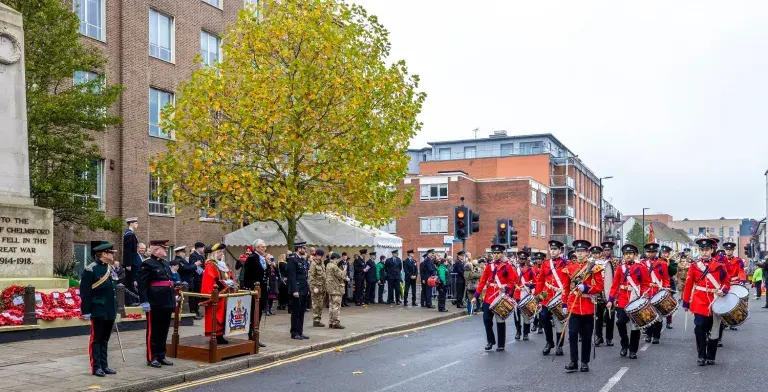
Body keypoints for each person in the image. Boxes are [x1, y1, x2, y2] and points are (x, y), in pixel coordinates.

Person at [682, 238, 731, 366]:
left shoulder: (720, 266)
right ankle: (701, 355)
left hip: (716, 301)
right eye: (702, 250)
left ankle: (711, 356)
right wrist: (686, 302)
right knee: (699, 327)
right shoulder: (694, 266)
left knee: (714, 330)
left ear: (711, 250)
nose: (704, 252)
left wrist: (723, 290)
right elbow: (688, 285)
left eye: (707, 249)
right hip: (699, 301)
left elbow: (726, 282)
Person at [564, 240, 605, 373]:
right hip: (574, 306)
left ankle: (584, 362)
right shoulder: (569, 268)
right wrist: (564, 303)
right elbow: (566, 288)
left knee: (587, 336)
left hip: (588, 307)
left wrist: (587, 288)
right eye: (578, 251)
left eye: (582, 251)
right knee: (573, 334)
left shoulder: (594, 268)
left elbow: (600, 287)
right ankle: (573, 361)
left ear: (587, 253)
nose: (580, 254)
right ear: (575, 253)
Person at [80, 242, 119, 377]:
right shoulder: (91, 269)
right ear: (104, 254)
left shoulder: (110, 268)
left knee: (105, 339)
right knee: (96, 339)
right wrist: (86, 311)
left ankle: (104, 365)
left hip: (110, 309)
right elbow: (85, 292)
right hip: (98, 309)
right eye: (111, 253)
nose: (113, 255)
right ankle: (96, 367)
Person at [606, 244, 651, 360]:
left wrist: (644, 295)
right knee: (620, 322)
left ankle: (633, 350)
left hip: (635, 298)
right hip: (622, 300)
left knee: (635, 327)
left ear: (634, 255)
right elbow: (615, 285)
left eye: (630, 254)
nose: (628, 256)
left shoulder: (641, 267)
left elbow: (646, 283)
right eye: (626, 254)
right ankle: (624, 344)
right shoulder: (620, 268)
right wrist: (610, 300)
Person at [471, 244, 518, 351]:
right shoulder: (489, 266)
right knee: (486, 319)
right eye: (494, 253)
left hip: (501, 296)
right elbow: (482, 281)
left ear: (502, 254)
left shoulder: (507, 266)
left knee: (500, 320)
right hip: (489, 296)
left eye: (498, 253)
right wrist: (475, 296)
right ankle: (490, 341)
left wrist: (506, 288)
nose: (495, 255)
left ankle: (501, 344)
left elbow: (512, 282)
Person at [138, 239, 175, 368]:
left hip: (166, 301)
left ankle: (161, 355)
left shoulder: (165, 263)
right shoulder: (147, 264)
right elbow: (142, 284)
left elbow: (168, 282)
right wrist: (144, 301)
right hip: (154, 302)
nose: (166, 251)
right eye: (163, 249)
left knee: (164, 330)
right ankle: (152, 357)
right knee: (154, 331)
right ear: (156, 250)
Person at [535, 240, 569, 356]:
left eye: (555, 249)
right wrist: (538, 297)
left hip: (560, 295)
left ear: (560, 250)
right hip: (547, 295)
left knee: (559, 321)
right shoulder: (545, 263)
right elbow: (540, 281)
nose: (553, 251)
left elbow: (568, 282)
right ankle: (549, 342)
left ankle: (559, 345)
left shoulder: (566, 264)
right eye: (551, 249)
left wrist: (565, 297)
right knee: (544, 318)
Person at [201, 243, 236, 345]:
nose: (222, 254)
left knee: (224, 315)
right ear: (214, 254)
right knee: (215, 316)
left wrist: (231, 281)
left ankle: (220, 336)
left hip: (224, 294)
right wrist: (225, 284)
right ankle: (216, 336)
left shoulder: (222, 264)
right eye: (219, 252)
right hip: (217, 294)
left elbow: (229, 275)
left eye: (222, 252)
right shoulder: (210, 265)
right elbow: (211, 280)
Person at [241, 239, 269, 347]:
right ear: (257, 248)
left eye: (265, 246)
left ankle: (256, 336)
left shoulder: (262, 258)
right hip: (254, 290)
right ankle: (251, 336)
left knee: (259, 313)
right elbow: (247, 275)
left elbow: (265, 274)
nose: (264, 248)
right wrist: (251, 288)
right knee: (254, 313)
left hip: (262, 290)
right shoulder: (252, 258)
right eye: (263, 247)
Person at [643, 243, 669, 345]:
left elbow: (666, 278)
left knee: (658, 315)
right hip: (646, 291)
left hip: (658, 291)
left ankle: (656, 336)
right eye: (649, 252)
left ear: (656, 252)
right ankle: (648, 334)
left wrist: (666, 288)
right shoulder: (642, 263)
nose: (650, 254)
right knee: (648, 315)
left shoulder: (662, 263)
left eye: (653, 252)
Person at [594, 242, 617, 346]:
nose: (607, 252)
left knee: (610, 317)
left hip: (610, 294)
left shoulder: (616, 262)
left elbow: (617, 279)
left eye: (609, 250)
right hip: (598, 294)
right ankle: (599, 337)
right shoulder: (597, 262)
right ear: (602, 251)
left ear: (611, 250)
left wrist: (615, 296)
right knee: (598, 317)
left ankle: (609, 338)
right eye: (605, 250)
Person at [287, 241, 310, 340]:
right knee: (296, 312)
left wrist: (307, 288)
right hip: (297, 289)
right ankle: (294, 332)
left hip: (303, 289)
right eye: (304, 248)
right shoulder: (292, 259)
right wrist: (294, 290)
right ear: (299, 249)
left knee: (301, 312)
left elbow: (304, 275)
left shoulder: (302, 260)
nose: (305, 250)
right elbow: (292, 276)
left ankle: (300, 331)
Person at [513, 250, 536, 341]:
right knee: (516, 315)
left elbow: (536, 282)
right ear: (518, 259)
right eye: (520, 258)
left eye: (523, 258)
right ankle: (518, 331)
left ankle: (525, 333)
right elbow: (511, 282)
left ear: (526, 260)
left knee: (526, 314)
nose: (521, 260)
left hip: (526, 294)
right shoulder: (514, 270)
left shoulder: (530, 270)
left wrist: (530, 285)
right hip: (517, 294)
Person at [326, 252, 348, 329]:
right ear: (335, 259)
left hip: (330, 289)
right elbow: (341, 276)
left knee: (331, 306)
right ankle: (336, 322)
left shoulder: (328, 265)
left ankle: (331, 322)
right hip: (336, 289)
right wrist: (344, 270)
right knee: (336, 306)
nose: (338, 261)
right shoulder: (334, 266)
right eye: (338, 259)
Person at [122, 217, 141, 305]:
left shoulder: (131, 234)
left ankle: (133, 300)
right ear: (131, 224)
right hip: (131, 262)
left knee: (132, 281)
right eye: (135, 223)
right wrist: (128, 264)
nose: (137, 225)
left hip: (133, 261)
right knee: (130, 281)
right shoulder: (129, 235)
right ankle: (130, 301)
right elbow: (128, 250)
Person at [309, 249, 327, 327]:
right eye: (319, 255)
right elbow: (311, 276)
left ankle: (318, 319)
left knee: (320, 304)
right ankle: (316, 320)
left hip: (322, 287)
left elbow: (324, 274)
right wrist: (314, 287)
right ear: (316, 255)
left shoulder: (321, 263)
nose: (320, 257)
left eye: (321, 256)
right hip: (316, 287)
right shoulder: (313, 264)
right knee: (316, 304)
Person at [188, 242, 206, 320]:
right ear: (198, 248)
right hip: (196, 278)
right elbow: (194, 266)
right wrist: (202, 272)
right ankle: (194, 311)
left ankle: (197, 310)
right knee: (195, 295)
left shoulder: (201, 256)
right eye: (202, 247)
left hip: (200, 278)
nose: (203, 249)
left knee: (198, 295)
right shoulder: (193, 255)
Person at [665, 247, 678, 329]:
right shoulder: (658, 261)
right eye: (663, 253)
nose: (664, 254)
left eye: (666, 253)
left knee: (668, 305)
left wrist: (668, 265)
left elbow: (674, 271)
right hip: (658, 284)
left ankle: (668, 322)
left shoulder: (672, 262)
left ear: (669, 254)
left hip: (669, 284)